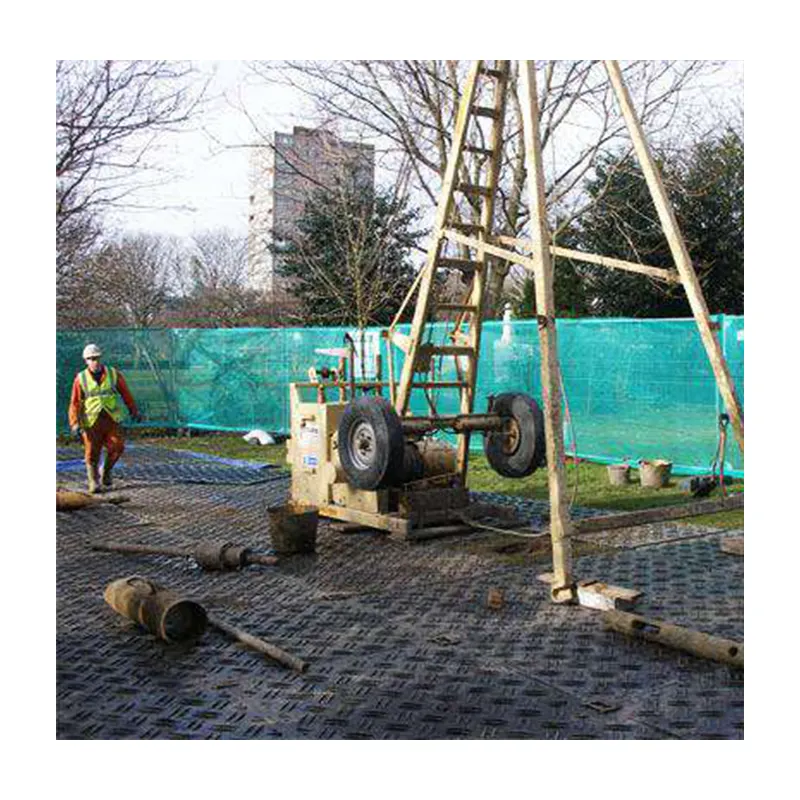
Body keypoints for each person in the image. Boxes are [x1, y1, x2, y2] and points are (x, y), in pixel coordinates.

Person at [68, 343, 142, 493]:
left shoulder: (113, 374)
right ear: (85, 361)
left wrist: (134, 410)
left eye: (96, 358)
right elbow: (74, 403)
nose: (94, 361)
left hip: (111, 419)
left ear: (100, 358)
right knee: (91, 452)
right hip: (91, 422)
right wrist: (74, 423)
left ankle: (106, 472)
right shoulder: (80, 379)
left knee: (117, 447)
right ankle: (93, 481)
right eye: (90, 359)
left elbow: (125, 393)